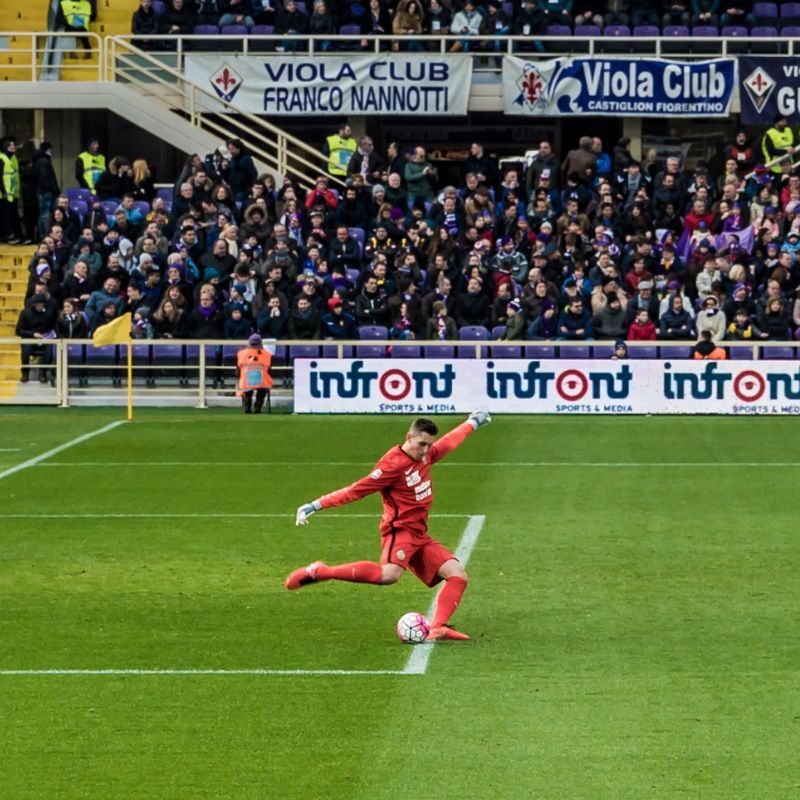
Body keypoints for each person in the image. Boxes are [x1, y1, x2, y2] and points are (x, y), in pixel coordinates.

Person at [285, 412, 492, 641]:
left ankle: (437, 627)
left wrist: (472, 422)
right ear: (409, 437)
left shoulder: (425, 456)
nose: (425, 450)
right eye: (421, 444)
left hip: (419, 534)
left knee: (457, 575)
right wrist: (316, 504)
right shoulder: (392, 465)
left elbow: (449, 442)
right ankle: (321, 571)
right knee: (389, 574)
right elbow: (357, 489)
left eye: (428, 445)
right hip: (400, 530)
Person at [236, 332, 272, 413]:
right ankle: (258, 407)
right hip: (262, 381)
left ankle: (247, 406)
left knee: (247, 390)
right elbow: (269, 370)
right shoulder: (267, 354)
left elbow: (238, 369)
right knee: (263, 390)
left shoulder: (241, 353)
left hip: (246, 381)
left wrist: (239, 379)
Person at [0, 136, 23, 244]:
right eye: (10, 145)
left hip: (11, 193)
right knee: (5, 217)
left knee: (10, 216)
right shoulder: (2, 158)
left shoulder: (10, 158)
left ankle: (12, 235)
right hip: (4, 194)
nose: (13, 147)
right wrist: (4, 191)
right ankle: (8, 235)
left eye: (14, 145)